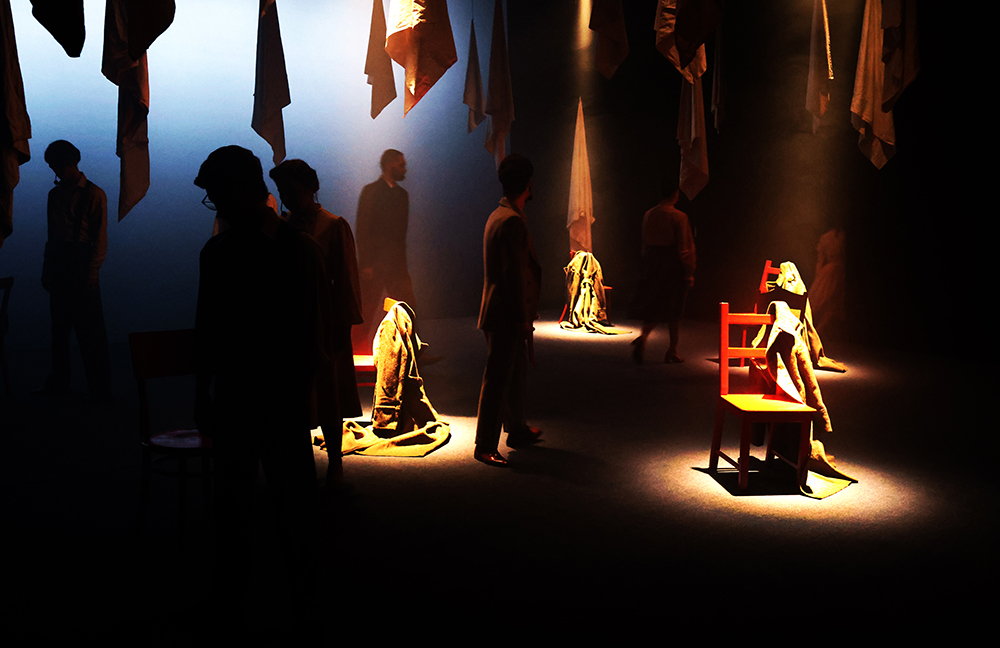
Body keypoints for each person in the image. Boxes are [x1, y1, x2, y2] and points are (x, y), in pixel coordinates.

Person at [193, 145, 332, 616]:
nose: (215, 203)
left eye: (217, 193)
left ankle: (236, 597)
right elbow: (313, 337)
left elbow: (208, 332)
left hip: (252, 397)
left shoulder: (219, 253)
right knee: (287, 504)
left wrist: (203, 393)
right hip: (276, 398)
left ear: (237, 191)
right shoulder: (298, 249)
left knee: (241, 502)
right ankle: (302, 601)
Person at [269, 158, 364, 480]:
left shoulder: (333, 225)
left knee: (328, 394)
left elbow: (346, 279)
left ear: (311, 188)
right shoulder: (282, 227)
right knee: (296, 398)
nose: (287, 198)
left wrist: (342, 325)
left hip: (325, 321)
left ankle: (335, 462)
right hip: (289, 321)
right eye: (282, 191)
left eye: (292, 190)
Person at [474, 154, 542, 467]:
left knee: (514, 372)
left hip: (500, 310)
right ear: (527, 184)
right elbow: (514, 274)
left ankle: (516, 428)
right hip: (506, 313)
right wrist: (522, 319)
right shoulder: (512, 220)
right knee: (499, 378)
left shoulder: (499, 214)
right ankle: (485, 445)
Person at [40, 140, 111, 401]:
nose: (56, 172)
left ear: (72, 163)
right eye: (53, 167)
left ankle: (99, 390)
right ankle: (60, 384)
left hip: (80, 265)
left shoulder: (94, 194)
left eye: (58, 166)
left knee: (90, 332)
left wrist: (92, 273)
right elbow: (52, 235)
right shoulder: (54, 195)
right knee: (58, 331)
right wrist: (47, 266)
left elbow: (99, 238)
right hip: (61, 263)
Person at [630, 180, 696, 364]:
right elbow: (684, 247)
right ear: (675, 194)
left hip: (652, 262)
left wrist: (646, 264)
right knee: (675, 308)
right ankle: (672, 350)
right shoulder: (679, 217)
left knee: (653, 304)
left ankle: (644, 337)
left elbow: (644, 242)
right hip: (671, 264)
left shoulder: (649, 214)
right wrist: (689, 270)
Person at [354, 149, 415, 347]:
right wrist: (366, 263)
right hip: (377, 263)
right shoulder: (373, 192)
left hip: (394, 264)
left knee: (405, 307)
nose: (404, 169)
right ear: (390, 165)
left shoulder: (399, 194)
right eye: (401, 165)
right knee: (368, 310)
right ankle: (356, 349)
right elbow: (363, 228)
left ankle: (411, 350)